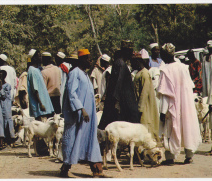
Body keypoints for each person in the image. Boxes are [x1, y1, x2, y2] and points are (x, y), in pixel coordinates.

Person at [60, 49, 104, 178]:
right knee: (72, 140)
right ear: (81, 60)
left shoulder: (84, 74)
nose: (90, 61)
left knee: (89, 139)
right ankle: (65, 167)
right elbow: (71, 93)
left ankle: (96, 168)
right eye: (88, 59)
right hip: (77, 115)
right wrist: (82, 109)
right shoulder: (74, 73)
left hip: (88, 117)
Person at [158, 43, 201, 165]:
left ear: (165, 55)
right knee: (187, 126)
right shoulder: (183, 67)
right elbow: (189, 87)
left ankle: (170, 157)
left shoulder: (165, 70)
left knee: (170, 129)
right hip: (186, 103)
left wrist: (162, 111)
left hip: (173, 104)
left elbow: (166, 94)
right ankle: (189, 155)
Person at [98, 40, 140, 130]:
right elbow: (118, 83)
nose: (131, 53)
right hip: (123, 102)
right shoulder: (120, 64)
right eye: (130, 51)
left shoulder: (120, 63)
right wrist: (117, 102)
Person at [131, 52, 160, 142]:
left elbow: (144, 92)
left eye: (132, 62)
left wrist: (140, 108)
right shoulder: (139, 73)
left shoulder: (144, 73)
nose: (131, 65)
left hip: (145, 106)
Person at [27, 49, 54, 121]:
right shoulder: (32, 70)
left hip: (44, 106)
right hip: (39, 107)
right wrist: (40, 104)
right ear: (34, 58)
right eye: (39, 56)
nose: (41, 58)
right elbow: (35, 90)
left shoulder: (37, 70)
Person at [0, 70, 17, 149]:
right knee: (0, 124)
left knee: (7, 123)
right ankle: (1, 142)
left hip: (6, 107)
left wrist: (1, 86)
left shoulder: (7, 86)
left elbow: (3, 95)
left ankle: (10, 141)